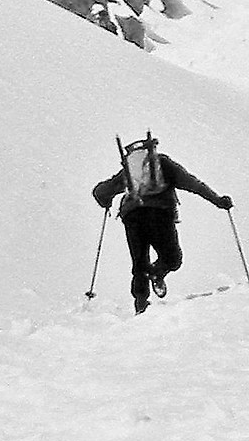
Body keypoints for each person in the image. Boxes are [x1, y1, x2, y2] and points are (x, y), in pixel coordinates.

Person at [90, 134, 231, 313]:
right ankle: (157, 273)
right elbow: (193, 184)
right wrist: (218, 201)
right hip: (160, 214)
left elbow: (100, 191)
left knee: (139, 262)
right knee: (173, 258)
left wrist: (106, 202)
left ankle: (141, 304)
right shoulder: (163, 164)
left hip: (132, 216)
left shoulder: (128, 171)